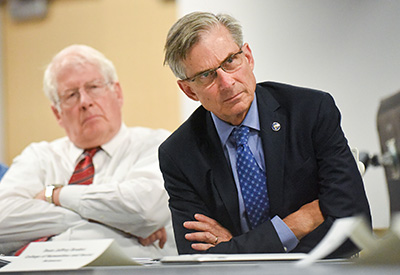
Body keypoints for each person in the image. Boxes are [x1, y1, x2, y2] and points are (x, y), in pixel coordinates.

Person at [159, 11, 371, 257]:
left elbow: (354, 222)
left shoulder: (310, 111)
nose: (227, 83)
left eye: (230, 61)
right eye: (206, 75)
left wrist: (240, 248)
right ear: (189, 91)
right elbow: (196, 256)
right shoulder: (179, 153)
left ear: (248, 56)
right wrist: (298, 223)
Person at [0, 44, 177, 258]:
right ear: (57, 113)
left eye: (94, 87)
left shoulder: (158, 145)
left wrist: (56, 195)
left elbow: (144, 211)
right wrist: (119, 221)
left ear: (117, 93)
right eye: (71, 95)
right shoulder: (39, 156)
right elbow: (3, 220)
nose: (85, 102)